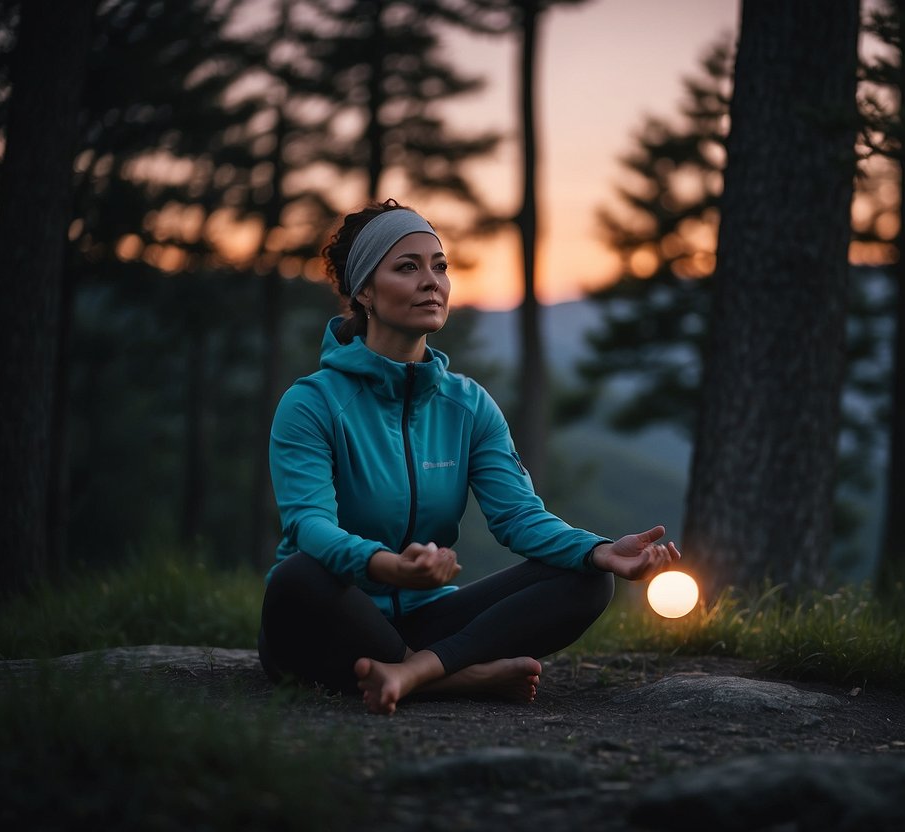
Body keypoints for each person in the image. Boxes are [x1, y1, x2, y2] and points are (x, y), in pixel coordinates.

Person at [258, 199, 682, 715]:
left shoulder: (468, 404)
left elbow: (519, 517)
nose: (431, 281)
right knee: (298, 576)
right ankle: (459, 676)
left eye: (439, 266)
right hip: (334, 619)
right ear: (364, 290)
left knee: (587, 581)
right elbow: (310, 526)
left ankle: (416, 669)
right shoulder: (313, 403)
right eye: (407, 267)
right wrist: (386, 566)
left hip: (427, 618)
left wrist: (599, 550)